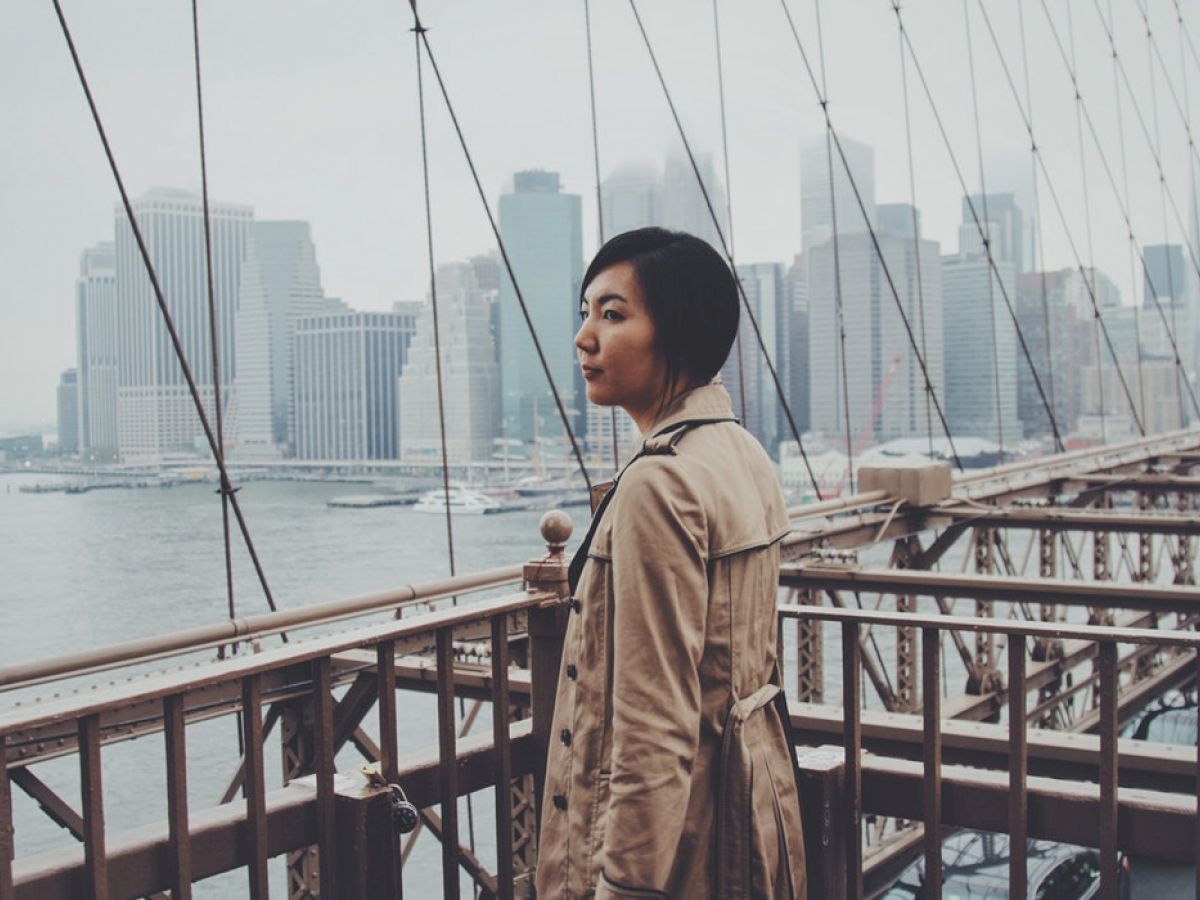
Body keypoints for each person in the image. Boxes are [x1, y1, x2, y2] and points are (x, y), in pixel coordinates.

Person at [535, 227, 807, 899]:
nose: (585, 338)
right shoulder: (744, 454)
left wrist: (626, 887)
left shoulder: (660, 485)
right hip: (748, 817)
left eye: (614, 314)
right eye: (586, 313)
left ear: (678, 332)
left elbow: (653, 721)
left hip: (676, 857)